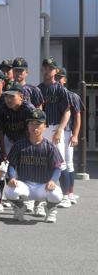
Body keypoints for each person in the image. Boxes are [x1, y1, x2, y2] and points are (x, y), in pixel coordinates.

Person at [5, 108, 64, 223]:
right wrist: (12, 177)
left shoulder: (50, 147)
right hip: (25, 185)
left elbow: (57, 168)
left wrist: (53, 180)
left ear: (44, 126)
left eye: (38, 124)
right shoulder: (19, 145)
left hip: (43, 186)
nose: (34, 127)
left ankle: (50, 209)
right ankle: (20, 207)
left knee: (56, 194)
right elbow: (12, 165)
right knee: (10, 191)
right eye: (31, 123)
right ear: (27, 126)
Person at [55, 67, 83, 206]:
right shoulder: (51, 93)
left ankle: (69, 193)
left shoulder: (72, 95)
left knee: (68, 163)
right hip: (55, 131)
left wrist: (75, 135)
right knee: (62, 163)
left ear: (65, 80)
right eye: (56, 76)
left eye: (60, 77)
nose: (57, 79)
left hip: (67, 132)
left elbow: (77, 116)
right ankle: (66, 193)